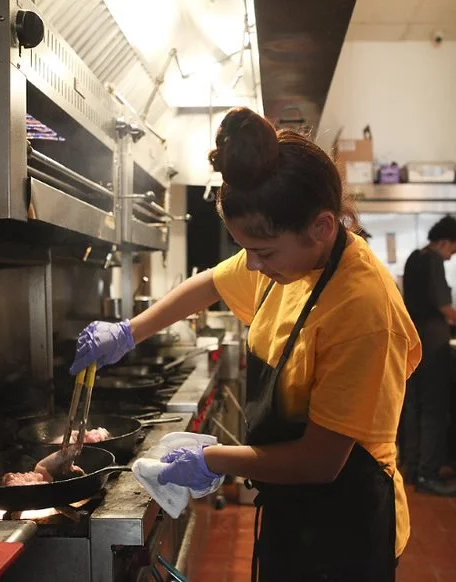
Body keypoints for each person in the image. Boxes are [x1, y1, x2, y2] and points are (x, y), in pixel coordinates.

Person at [69, 107, 422, 581]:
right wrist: (130, 331)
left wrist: (213, 459)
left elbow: (320, 461)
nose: (252, 266)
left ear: (322, 227)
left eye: (264, 251)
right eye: (246, 249)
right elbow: (211, 283)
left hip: (348, 522)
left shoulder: (363, 310)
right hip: (291, 504)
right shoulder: (289, 263)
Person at [400, 215, 456, 497]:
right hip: (432, 342)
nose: (452, 256)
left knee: (414, 407)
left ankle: (413, 468)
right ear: (445, 242)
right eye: (454, 249)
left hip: (413, 341)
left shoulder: (414, 258)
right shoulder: (433, 261)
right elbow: (445, 307)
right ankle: (429, 475)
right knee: (434, 410)